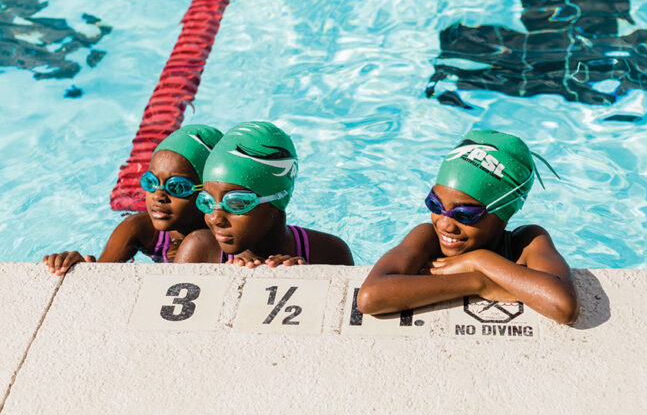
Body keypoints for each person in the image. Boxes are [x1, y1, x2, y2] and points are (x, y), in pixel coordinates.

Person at [357, 130, 578, 324]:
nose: (444, 223)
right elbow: (370, 298)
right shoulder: (427, 237)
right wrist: (478, 283)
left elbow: (563, 306)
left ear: (504, 213)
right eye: (435, 203)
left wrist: (479, 260)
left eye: (464, 214)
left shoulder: (527, 242)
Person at [43, 124, 223, 275]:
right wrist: (81, 268)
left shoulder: (228, 237)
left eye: (177, 187)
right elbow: (100, 275)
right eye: (150, 182)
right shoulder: (140, 229)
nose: (159, 196)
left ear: (208, 193)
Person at [174, 121, 353, 266]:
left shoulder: (328, 253)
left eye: (236, 203)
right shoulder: (200, 250)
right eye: (207, 202)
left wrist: (302, 280)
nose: (214, 218)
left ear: (277, 198)